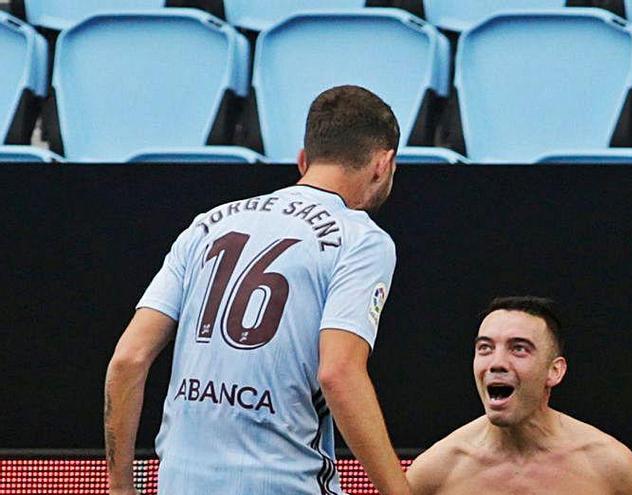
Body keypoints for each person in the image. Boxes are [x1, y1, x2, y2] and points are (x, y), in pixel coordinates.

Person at [104, 85, 410, 495]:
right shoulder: (361, 239)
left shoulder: (207, 224)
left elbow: (128, 358)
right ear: (382, 164)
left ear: (303, 160)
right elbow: (338, 373)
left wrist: (120, 487)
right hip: (283, 482)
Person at [406, 297, 632, 495]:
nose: (497, 363)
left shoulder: (610, 466)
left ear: (555, 371)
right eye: (485, 348)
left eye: (519, 349)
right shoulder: (436, 471)